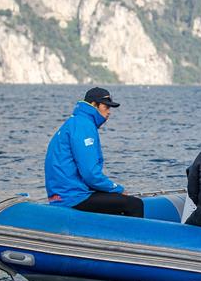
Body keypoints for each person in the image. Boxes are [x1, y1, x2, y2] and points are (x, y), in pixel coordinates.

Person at [45, 87, 144, 217]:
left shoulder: (74, 122)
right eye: (106, 107)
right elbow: (90, 174)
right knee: (135, 204)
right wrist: (117, 188)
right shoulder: (84, 125)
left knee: (114, 200)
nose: (109, 112)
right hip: (72, 197)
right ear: (93, 105)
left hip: (62, 194)